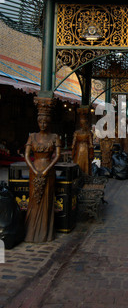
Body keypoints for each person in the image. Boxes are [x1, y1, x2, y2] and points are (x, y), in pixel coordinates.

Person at [24, 97, 61, 242]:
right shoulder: (32, 137)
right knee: (34, 199)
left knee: (47, 200)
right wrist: (32, 168)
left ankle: (45, 232)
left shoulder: (54, 137)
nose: (43, 124)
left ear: (49, 122)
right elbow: (27, 155)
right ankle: (31, 232)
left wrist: (47, 170)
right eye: (40, 121)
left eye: (45, 121)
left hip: (48, 170)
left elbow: (57, 156)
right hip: (35, 170)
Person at [72, 108, 94, 175]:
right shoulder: (88, 133)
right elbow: (91, 145)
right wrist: (91, 153)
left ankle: (78, 175)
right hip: (86, 149)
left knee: (78, 162)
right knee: (85, 164)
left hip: (79, 149)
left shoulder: (77, 133)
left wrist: (73, 154)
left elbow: (73, 145)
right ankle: (86, 175)